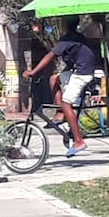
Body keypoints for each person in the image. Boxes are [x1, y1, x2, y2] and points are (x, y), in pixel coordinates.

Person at [23, 16, 95, 158]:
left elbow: (49, 56)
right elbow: (76, 56)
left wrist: (33, 71)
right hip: (77, 71)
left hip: (82, 74)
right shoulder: (77, 37)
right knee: (54, 79)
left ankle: (79, 141)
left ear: (64, 25)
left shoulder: (67, 39)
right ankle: (60, 113)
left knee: (66, 103)